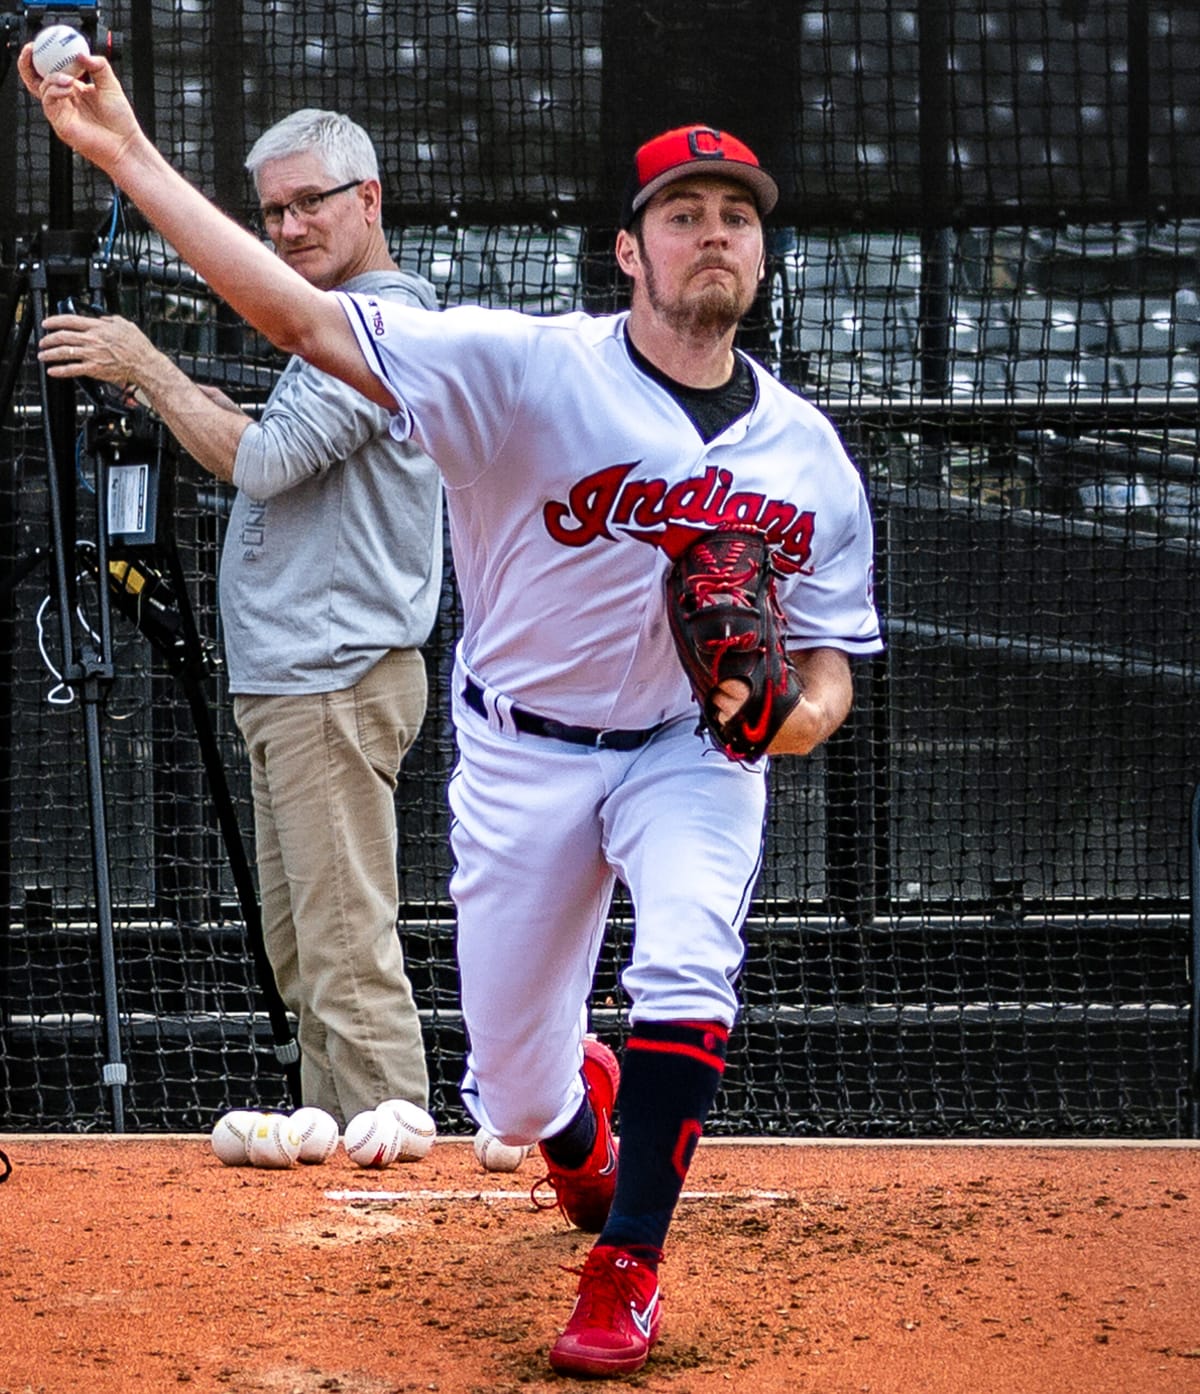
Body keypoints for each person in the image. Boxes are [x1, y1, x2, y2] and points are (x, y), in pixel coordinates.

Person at [24, 53, 884, 1379]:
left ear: (762, 250)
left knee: (688, 960)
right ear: (629, 251)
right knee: (519, 1086)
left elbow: (826, 659)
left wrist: (799, 719)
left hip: (682, 752)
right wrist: (125, 157)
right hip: (525, 751)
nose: (712, 232)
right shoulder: (521, 366)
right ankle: (579, 1132)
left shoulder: (807, 455)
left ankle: (626, 1266)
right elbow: (306, 327)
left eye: (737, 215)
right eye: (681, 213)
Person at [38, 107, 443, 1129]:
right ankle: (344, 1174)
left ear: (369, 199)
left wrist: (147, 367)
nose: (290, 226)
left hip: (333, 680)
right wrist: (198, 401)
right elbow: (278, 446)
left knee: (346, 955)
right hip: (298, 681)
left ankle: (399, 1187)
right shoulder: (331, 321)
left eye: (311, 201)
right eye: (272, 211)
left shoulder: (376, 318)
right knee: (310, 954)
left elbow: (262, 461)